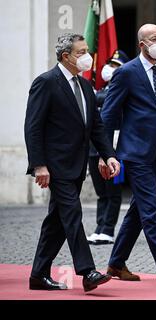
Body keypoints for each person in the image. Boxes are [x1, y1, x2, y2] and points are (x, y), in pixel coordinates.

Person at [24, 33, 120, 292]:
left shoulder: (85, 85)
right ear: (66, 56)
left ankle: (38, 274)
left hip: (77, 165)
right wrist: (39, 165)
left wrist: (108, 154)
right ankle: (88, 272)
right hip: (55, 166)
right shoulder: (46, 82)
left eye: (87, 50)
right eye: (81, 52)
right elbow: (33, 127)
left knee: (56, 222)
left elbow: (96, 127)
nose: (87, 56)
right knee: (72, 214)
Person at [101, 24, 156, 286]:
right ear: (142, 44)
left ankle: (116, 263)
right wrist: (105, 154)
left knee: (139, 210)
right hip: (135, 152)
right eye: (154, 39)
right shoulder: (126, 73)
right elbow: (108, 114)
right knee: (151, 209)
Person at [87, 50, 130, 245]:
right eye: (110, 65)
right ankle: (99, 227)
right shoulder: (101, 90)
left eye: (115, 66)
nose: (110, 69)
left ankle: (108, 229)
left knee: (113, 190)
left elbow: (100, 100)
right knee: (101, 191)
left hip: (114, 148)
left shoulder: (123, 89)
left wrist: (93, 96)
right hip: (95, 147)